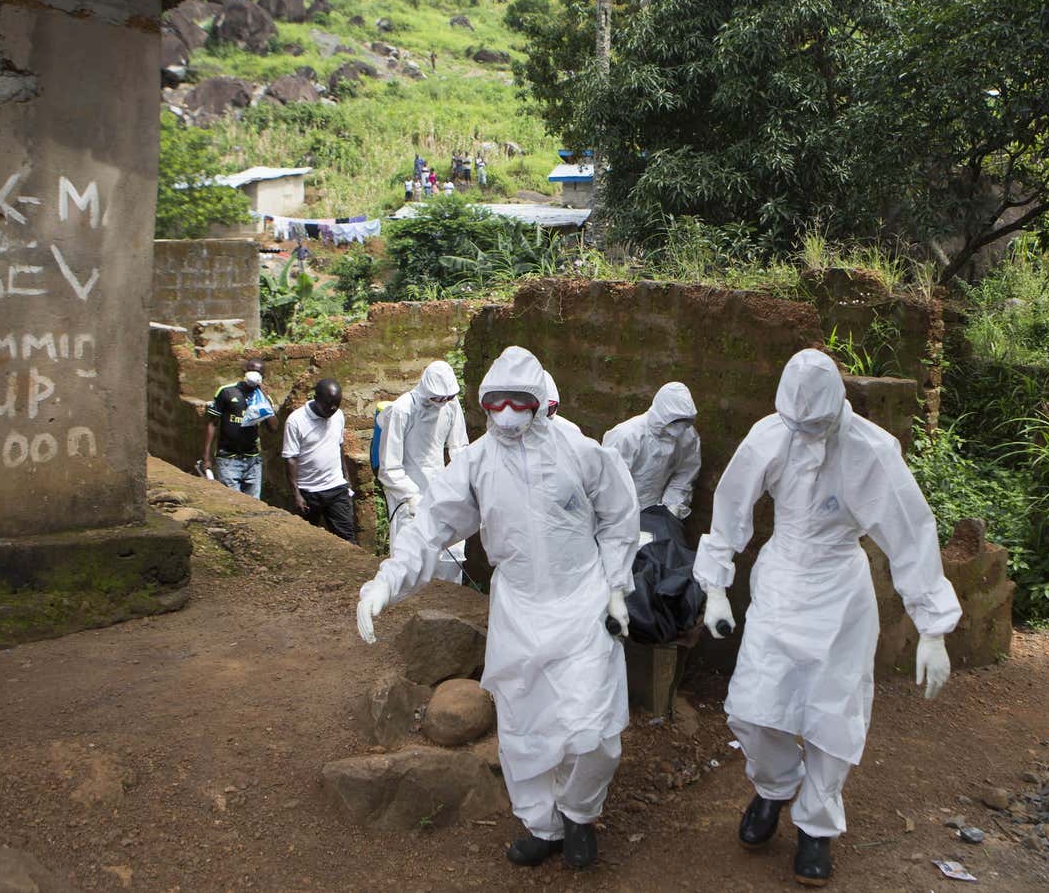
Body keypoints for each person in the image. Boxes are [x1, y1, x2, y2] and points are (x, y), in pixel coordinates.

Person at [355, 347, 640, 870]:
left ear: (542, 403)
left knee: (594, 733)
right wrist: (387, 579)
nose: (507, 413)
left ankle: (579, 813)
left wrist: (617, 587)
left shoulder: (581, 453)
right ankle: (543, 825)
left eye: (518, 400)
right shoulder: (475, 463)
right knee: (525, 729)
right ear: (482, 404)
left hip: (582, 604)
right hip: (520, 609)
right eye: (495, 401)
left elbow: (620, 519)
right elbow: (431, 527)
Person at [692, 349, 960, 887]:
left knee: (832, 717)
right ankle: (774, 786)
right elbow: (731, 504)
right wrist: (715, 586)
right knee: (753, 708)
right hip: (781, 578)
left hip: (841, 590)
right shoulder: (771, 434)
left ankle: (816, 824)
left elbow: (911, 532)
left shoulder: (873, 451)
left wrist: (932, 625)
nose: (806, 433)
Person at [377, 361, 469, 572]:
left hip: (440, 487)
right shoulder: (402, 410)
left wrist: (464, 482)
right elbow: (389, 467)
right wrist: (412, 497)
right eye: (439, 398)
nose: (443, 402)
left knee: (449, 555)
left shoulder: (451, 406)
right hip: (408, 493)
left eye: (448, 398)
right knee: (411, 559)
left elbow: (459, 447)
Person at [603, 382, 702, 520]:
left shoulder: (687, 436)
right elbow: (609, 484)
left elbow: (686, 474)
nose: (679, 427)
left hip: (657, 512)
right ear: (663, 413)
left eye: (685, 421)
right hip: (620, 514)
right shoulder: (627, 436)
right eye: (675, 420)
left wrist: (671, 509)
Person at [282, 379, 356, 542]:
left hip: (336, 488)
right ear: (316, 398)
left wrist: (347, 481)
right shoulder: (296, 421)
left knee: (347, 539)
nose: (333, 408)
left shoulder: (338, 415)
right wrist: (296, 495)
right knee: (306, 541)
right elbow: (290, 459)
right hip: (308, 491)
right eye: (329, 404)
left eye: (337, 404)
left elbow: (339, 447)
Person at [203, 359, 279, 498]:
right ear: (244, 372)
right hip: (228, 458)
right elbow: (212, 423)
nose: (254, 374)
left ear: (263, 377)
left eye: (259, 372)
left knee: (254, 503)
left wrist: (265, 399)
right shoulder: (227, 392)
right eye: (252, 370)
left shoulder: (263, 399)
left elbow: (273, 428)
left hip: (252, 460)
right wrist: (206, 457)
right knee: (232, 501)